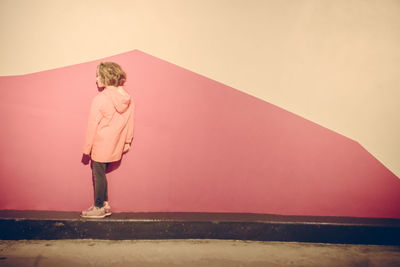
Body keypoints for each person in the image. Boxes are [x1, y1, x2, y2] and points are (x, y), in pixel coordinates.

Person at [81, 62, 134, 218]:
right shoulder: (127, 98)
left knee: (98, 174)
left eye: (98, 75)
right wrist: (127, 142)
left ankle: (98, 207)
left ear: (105, 77)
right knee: (101, 173)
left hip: (100, 143)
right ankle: (105, 205)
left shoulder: (100, 98)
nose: (96, 79)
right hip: (116, 143)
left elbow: (92, 125)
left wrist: (87, 148)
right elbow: (130, 121)